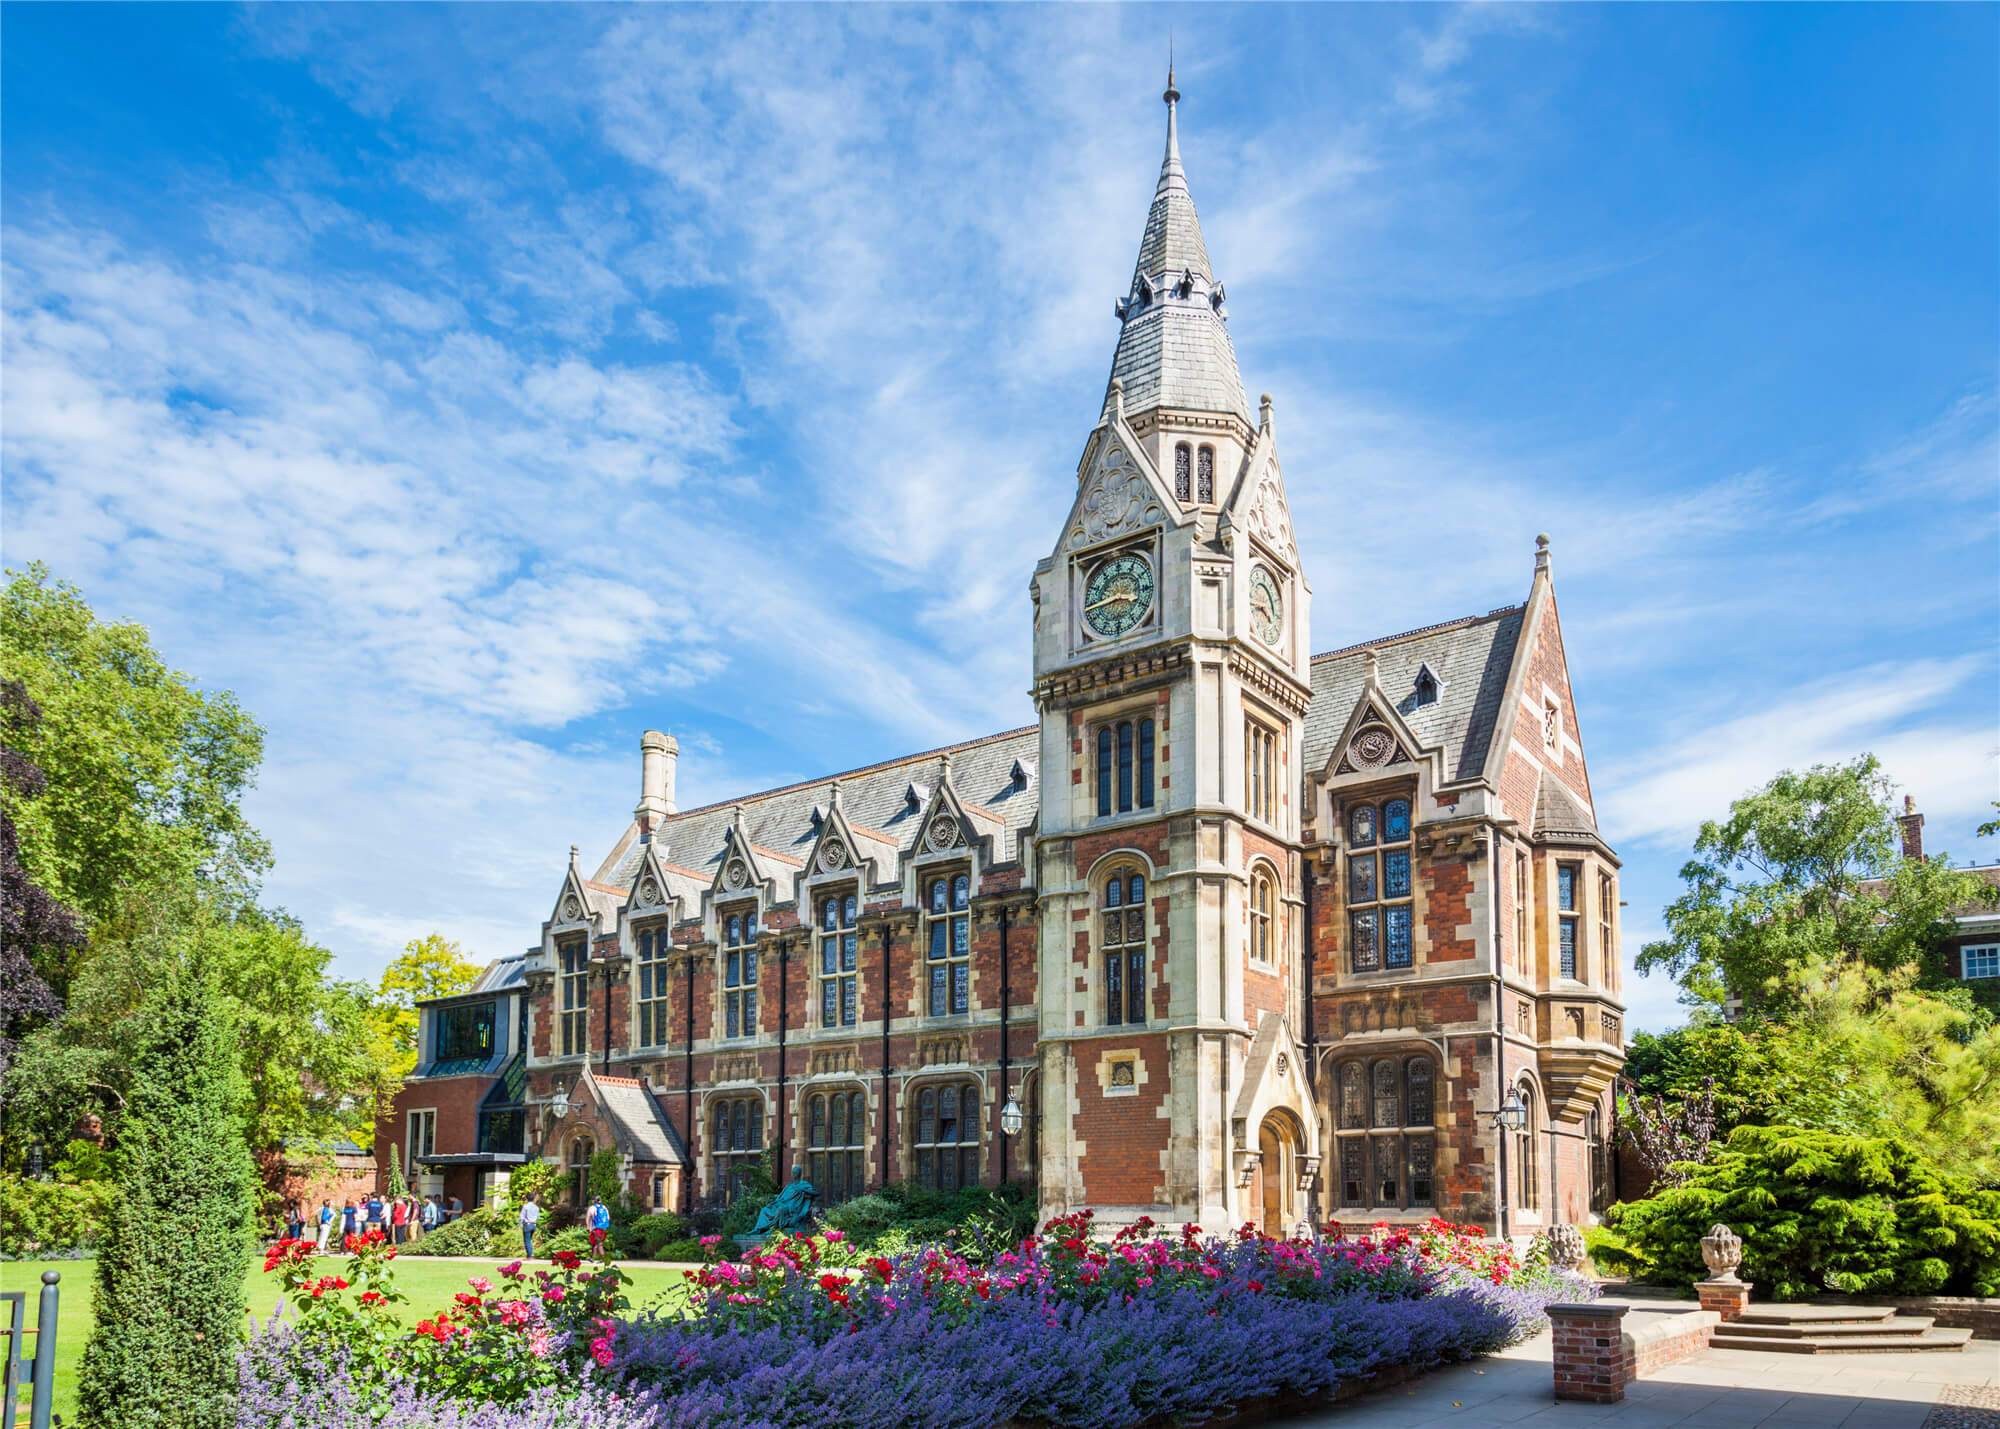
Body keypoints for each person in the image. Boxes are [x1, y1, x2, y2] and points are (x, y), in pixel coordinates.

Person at [586, 1194, 612, 1260]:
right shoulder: (604, 1207)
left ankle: (602, 1258)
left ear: (593, 1201)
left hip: (596, 1228)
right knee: (597, 1243)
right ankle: (593, 1257)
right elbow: (608, 1218)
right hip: (603, 1228)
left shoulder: (592, 1208)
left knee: (598, 1244)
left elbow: (588, 1218)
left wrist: (588, 1228)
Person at [519, 1192, 542, 1258]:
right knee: (529, 1240)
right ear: (534, 1198)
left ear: (526, 1198)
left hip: (527, 1225)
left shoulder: (525, 1207)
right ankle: (530, 1254)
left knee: (527, 1240)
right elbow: (538, 1217)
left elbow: (521, 1217)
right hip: (533, 1225)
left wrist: (519, 1225)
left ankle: (530, 1255)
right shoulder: (536, 1207)